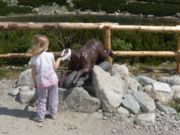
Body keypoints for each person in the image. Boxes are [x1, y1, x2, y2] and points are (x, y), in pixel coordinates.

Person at [27, 34, 61, 122]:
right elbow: (55, 67)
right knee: (53, 97)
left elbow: (33, 73)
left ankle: (40, 116)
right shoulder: (50, 55)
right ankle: (53, 113)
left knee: (42, 98)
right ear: (45, 47)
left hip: (42, 82)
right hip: (53, 80)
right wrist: (59, 60)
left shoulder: (34, 58)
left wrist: (34, 82)